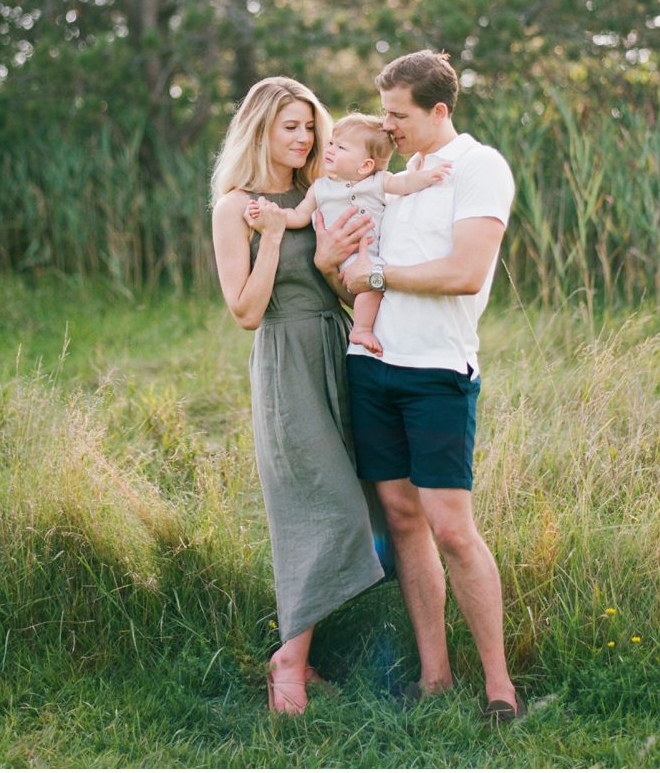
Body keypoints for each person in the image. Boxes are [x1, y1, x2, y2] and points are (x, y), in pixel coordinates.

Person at [313, 50, 523, 723]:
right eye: (383, 113)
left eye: (397, 115)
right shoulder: (391, 179)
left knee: (452, 530)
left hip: (436, 374)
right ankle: (434, 678)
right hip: (372, 369)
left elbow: (463, 271)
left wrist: (373, 279)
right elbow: (348, 272)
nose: (387, 125)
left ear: (438, 110)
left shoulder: (479, 167)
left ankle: (498, 688)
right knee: (402, 520)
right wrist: (335, 265)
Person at [211, 77, 385, 716]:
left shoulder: (322, 193)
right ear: (260, 129)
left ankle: (302, 656)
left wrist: (330, 264)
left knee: (360, 503)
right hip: (285, 360)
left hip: (336, 349)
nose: (306, 138)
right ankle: (287, 657)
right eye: (292, 126)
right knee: (320, 505)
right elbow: (246, 311)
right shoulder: (236, 207)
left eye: (311, 126)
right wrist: (277, 237)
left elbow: (344, 289)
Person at [247, 112, 451, 354]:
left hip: (368, 257)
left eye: (341, 147)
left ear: (365, 165)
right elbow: (299, 216)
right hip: (342, 258)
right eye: (331, 143)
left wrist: (428, 176)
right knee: (372, 288)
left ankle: (367, 329)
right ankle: (362, 329)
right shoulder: (320, 187)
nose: (330, 149)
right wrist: (269, 214)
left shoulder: (377, 181)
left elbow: (405, 184)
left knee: (375, 286)